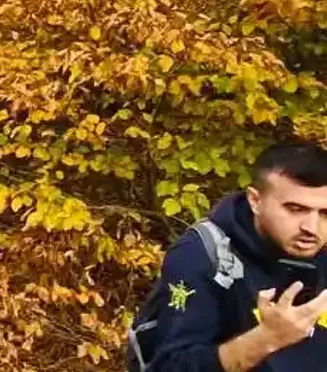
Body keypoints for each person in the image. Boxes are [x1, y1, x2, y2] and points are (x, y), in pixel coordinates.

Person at [128, 141, 327, 372]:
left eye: (325, 213)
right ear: (255, 201)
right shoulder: (203, 255)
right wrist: (266, 339)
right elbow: (172, 367)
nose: (311, 227)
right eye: (295, 209)